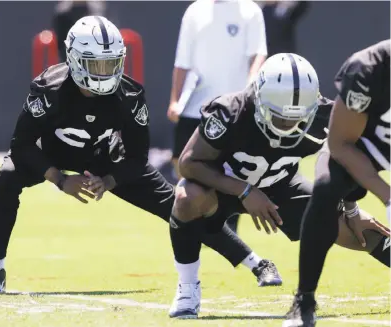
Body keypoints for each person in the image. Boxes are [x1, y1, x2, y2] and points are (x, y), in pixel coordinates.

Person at [0, 16, 278, 294]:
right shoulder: (49, 89)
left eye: (111, 64)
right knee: (6, 178)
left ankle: (256, 262)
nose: (105, 72)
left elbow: (136, 157)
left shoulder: (129, 96)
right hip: (52, 156)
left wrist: (109, 180)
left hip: (105, 159)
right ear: (74, 60)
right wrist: (58, 179)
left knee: (181, 205)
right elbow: (21, 146)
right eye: (95, 65)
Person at [166, 53, 390, 319]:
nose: (288, 124)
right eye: (280, 116)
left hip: (281, 186)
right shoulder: (230, 111)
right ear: (259, 98)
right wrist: (245, 190)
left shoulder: (323, 114)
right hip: (222, 187)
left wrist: (351, 209)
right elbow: (189, 164)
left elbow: (346, 158)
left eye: (296, 118)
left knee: (358, 230)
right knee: (187, 197)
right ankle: (188, 287)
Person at [283, 40, 390, 327]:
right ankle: (304, 298)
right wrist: (387, 197)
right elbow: (341, 145)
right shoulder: (368, 70)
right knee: (326, 190)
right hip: (359, 146)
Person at [167, 0, 268, 233]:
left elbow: (258, 54)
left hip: (234, 113)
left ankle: (226, 232)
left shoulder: (250, 11)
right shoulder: (194, 10)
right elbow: (182, 62)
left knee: (230, 173)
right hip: (195, 110)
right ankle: (189, 226)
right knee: (184, 169)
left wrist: (250, 85)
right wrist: (175, 100)